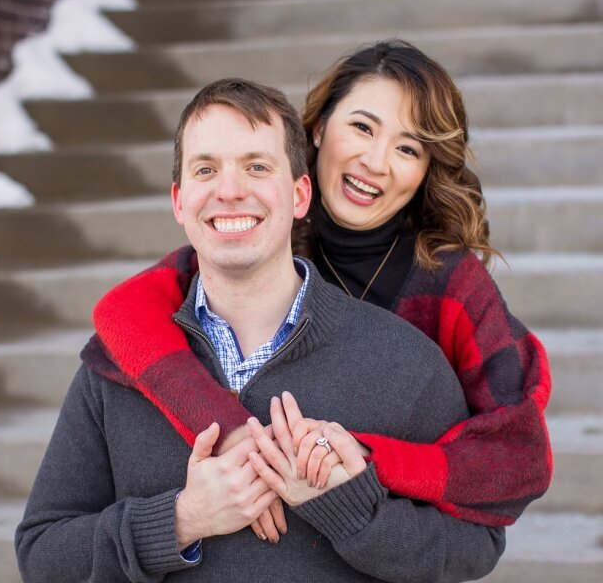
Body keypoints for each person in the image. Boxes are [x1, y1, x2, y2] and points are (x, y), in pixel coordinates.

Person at [16, 78, 504, 581]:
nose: (229, 190)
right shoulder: (119, 363)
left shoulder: (405, 363)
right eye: (206, 169)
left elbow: (476, 546)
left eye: (256, 166)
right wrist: (181, 520)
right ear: (180, 201)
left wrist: (353, 510)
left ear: (299, 194)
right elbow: (41, 555)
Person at [90, 40, 552, 531]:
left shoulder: (449, 282)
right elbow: (123, 313)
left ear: (424, 171)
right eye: (361, 127)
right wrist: (229, 432)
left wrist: (369, 461)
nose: (375, 161)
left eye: (408, 148)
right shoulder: (264, 231)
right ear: (318, 129)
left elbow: (519, 458)